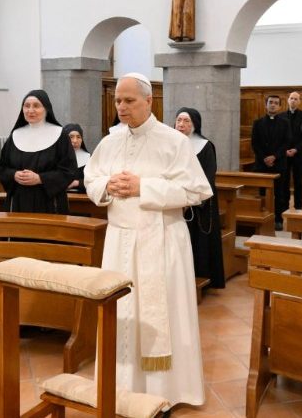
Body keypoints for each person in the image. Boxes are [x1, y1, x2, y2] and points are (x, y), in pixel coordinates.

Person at [84, 73, 212, 407]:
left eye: (129, 101)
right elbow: (91, 177)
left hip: (163, 239)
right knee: (121, 314)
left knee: (163, 313)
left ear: (149, 100)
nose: (121, 107)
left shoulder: (174, 141)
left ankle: (164, 394)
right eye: (117, 101)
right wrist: (106, 186)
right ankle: (120, 390)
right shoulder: (110, 141)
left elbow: (197, 190)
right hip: (119, 241)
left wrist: (145, 187)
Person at [0, 89, 76, 214]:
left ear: (46, 108)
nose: (30, 110)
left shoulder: (60, 135)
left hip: (49, 202)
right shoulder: (15, 135)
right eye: (26, 106)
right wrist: (14, 175)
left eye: (36, 106)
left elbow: (68, 171)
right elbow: (1, 168)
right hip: (18, 202)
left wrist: (40, 178)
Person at [174, 107, 225, 288]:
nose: (181, 124)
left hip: (199, 204)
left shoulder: (205, 146)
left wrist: (191, 199)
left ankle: (201, 278)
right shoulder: (172, 145)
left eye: (186, 121)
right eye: (179, 120)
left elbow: (208, 177)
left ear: (195, 125)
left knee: (199, 243)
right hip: (176, 201)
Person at [251, 95, 291, 230]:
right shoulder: (257, 123)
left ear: (280, 106)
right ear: (265, 105)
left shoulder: (285, 123)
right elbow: (255, 144)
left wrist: (274, 157)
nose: (273, 105)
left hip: (279, 164)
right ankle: (262, 217)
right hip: (262, 165)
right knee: (262, 193)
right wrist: (265, 158)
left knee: (279, 194)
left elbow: (286, 143)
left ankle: (278, 219)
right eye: (270, 102)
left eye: (276, 103)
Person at [278, 91, 302, 210]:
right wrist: (285, 150)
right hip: (284, 155)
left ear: (299, 101)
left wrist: (296, 149)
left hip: (299, 154)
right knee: (284, 182)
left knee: (298, 183)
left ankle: (298, 207)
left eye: (296, 99)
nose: (293, 101)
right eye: (291, 98)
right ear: (287, 100)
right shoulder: (280, 116)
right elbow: (279, 137)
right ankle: (284, 206)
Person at [63, 123, 90, 194]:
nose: (75, 141)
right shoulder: (56, 157)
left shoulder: (89, 159)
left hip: (82, 199)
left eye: (78, 137)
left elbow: (95, 181)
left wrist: (77, 183)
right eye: (71, 137)